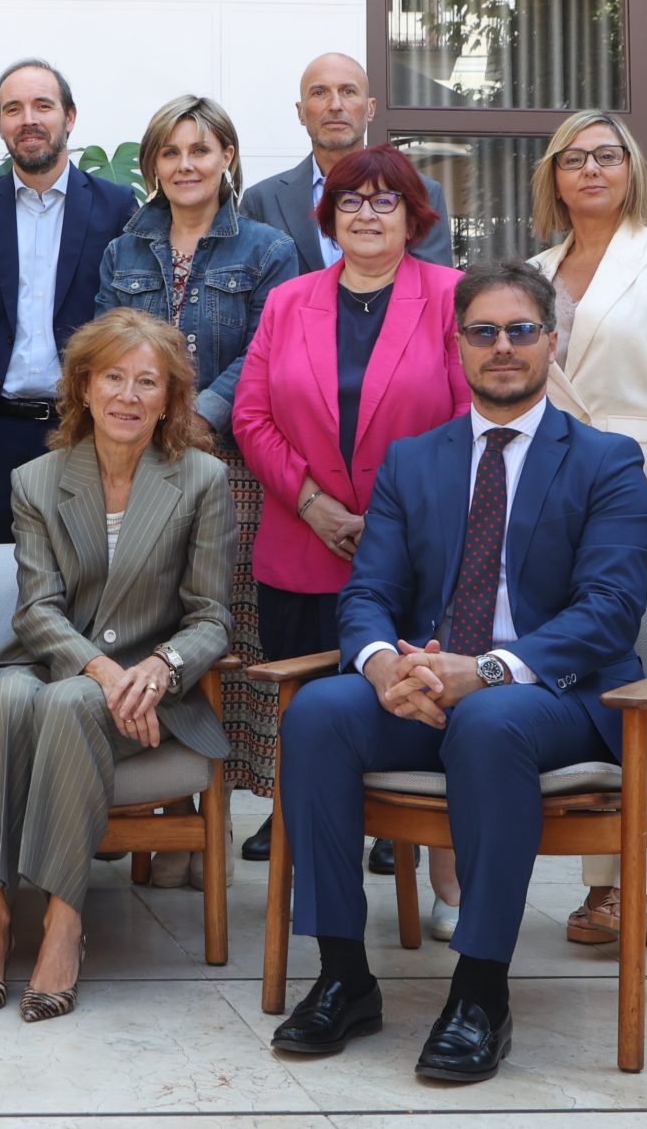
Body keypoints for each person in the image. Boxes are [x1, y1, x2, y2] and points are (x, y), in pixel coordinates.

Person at [269, 260, 647, 1085]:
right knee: (317, 713)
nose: (504, 347)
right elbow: (370, 592)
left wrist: (482, 670)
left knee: (488, 719)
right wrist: (382, 669)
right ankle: (344, 972)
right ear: (459, 348)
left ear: (553, 340)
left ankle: (480, 990)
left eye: (522, 329)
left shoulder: (607, 460)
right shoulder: (415, 462)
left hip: (566, 701)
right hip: (427, 688)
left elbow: (610, 611)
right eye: (483, 332)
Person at [0, 308, 235, 1023]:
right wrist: (104, 670)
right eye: (113, 376)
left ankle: (62, 921)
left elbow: (211, 616)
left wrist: (162, 666)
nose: (128, 395)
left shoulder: (202, 479)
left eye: (148, 381)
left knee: (65, 703)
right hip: (51, 658)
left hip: (150, 686)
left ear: (170, 398)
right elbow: (37, 611)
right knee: (7, 698)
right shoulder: (36, 479)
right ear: (82, 387)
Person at [233, 144, 468, 922]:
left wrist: (394, 518)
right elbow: (252, 414)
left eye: (385, 201)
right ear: (328, 217)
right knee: (313, 726)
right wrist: (313, 504)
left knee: (434, 711)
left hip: (421, 554)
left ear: (414, 216)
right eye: (351, 201)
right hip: (303, 547)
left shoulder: (452, 296)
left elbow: (471, 419)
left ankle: (449, 883)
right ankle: (322, 884)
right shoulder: (289, 300)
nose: (367, 214)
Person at [526, 110, 647, 950]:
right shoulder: (534, 271)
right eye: (575, 158)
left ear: (631, 168)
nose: (591, 170)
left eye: (607, 156)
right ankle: (592, 853)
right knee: (575, 682)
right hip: (553, 498)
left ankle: (636, 880)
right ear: (555, 176)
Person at [92, 94, 294, 868]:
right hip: (137, 460)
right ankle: (159, 799)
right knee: (148, 618)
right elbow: (109, 343)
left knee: (221, 629)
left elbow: (269, 350)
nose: (186, 165)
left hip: (226, 463)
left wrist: (199, 410)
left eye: (200, 151)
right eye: (171, 153)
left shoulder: (269, 248)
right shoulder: (123, 252)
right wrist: (151, 416)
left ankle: (212, 808)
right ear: (153, 165)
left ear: (227, 160)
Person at [0, 60, 141, 543]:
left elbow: (128, 319)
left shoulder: (116, 207)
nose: (28, 119)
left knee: (84, 571)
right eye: (13, 109)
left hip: (82, 428)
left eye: (43, 105)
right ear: (0, 124)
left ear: (69, 117)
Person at [241, 51, 454, 275]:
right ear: (301, 112)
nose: (335, 105)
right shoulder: (262, 202)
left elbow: (434, 292)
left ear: (370, 108)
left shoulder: (421, 193)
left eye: (348, 91)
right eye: (319, 92)